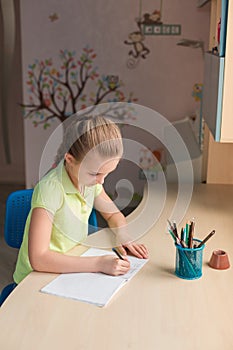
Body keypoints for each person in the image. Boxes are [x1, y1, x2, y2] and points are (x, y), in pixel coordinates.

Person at [13, 115, 148, 284]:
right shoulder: (51, 189)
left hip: (71, 266)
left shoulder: (89, 182)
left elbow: (113, 215)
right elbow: (38, 258)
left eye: (107, 173)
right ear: (70, 160)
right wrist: (98, 263)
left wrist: (123, 235)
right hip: (36, 279)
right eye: (95, 173)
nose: (101, 181)